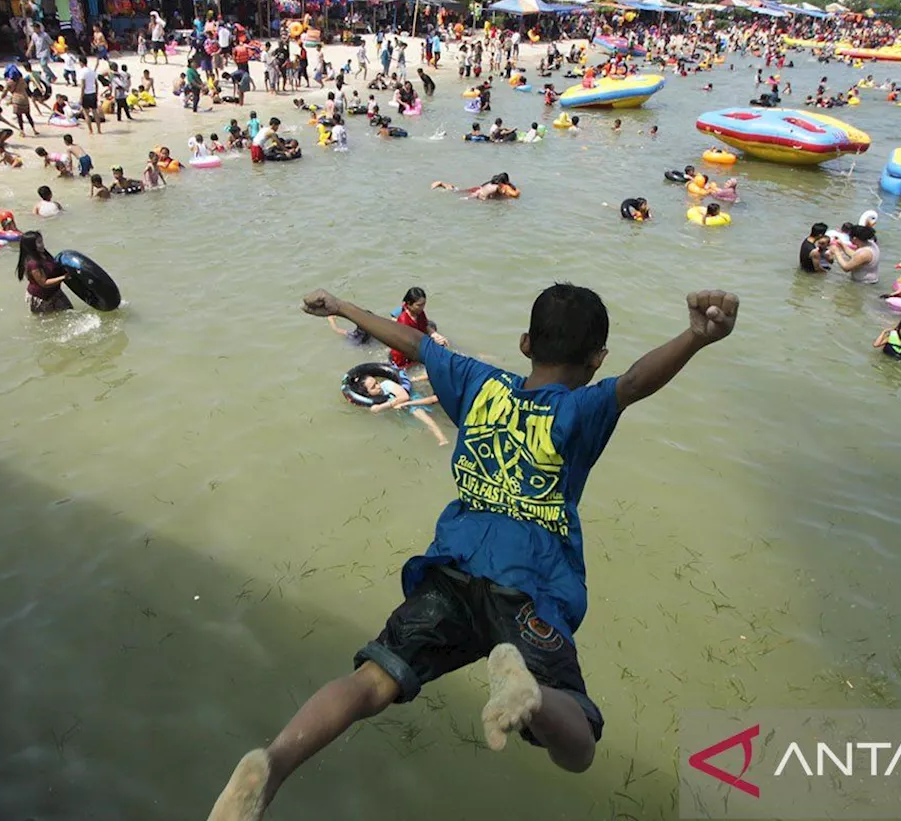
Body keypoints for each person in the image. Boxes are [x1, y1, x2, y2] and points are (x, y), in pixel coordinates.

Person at [204, 284, 741, 821]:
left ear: (526, 342)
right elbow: (633, 384)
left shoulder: (476, 382)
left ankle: (272, 763)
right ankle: (528, 690)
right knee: (577, 745)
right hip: (529, 586)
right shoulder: (582, 409)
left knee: (371, 682)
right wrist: (695, 338)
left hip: (452, 570)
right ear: (596, 358)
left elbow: (414, 344)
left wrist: (342, 307)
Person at [360, 373, 450, 446]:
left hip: (412, 402)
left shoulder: (387, 384)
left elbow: (405, 397)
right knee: (416, 432)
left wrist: (381, 407)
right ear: (368, 393)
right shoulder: (372, 401)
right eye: (373, 387)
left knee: (427, 420)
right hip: (403, 411)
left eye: (376, 383)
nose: (378, 386)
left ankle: (442, 439)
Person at [389, 287, 448, 368]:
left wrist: (436, 335)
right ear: (409, 304)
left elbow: (425, 326)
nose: (422, 307)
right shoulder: (403, 320)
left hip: (417, 346)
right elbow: (408, 345)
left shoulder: (419, 313)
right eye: (419, 305)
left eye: (424, 304)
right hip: (402, 358)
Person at [16, 231, 72, 314]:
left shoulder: (44, 254)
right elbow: (44, 283)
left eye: (41, 241)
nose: (42, 244)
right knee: (49, 322)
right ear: (31, 246)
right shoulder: (33, 263)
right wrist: (64, 277)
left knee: (69, 312)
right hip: (40, 299)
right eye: (39, 242)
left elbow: (54, 267)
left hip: (55, 292)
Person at [431, 172, 520, 201]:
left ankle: (443, 184)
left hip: (478, 189)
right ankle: (442, 184)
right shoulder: (501, 187)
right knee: (461, 197)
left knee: (458, 191)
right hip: (478, 193)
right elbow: (511, 195)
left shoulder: (492, 183)